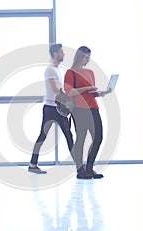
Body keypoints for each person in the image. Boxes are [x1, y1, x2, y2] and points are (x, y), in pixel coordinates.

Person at [64, 46, 110, 179]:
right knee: (81, 139)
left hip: (93, 108)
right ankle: (80, 170)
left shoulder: (90, 72)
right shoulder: (70, 72)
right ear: (79, 57)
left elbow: (91, 93)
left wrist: (102, 93)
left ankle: (89, 168)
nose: (88, 60)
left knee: (98, 137)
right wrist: (87, 87)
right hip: (79, 109)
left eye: (89, 57)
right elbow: (69, 92)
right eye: (86, 57)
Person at [28, 43, 74, 174]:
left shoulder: (56, 70)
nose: (63, 54)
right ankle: (32, 165)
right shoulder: (50, 70)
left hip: (58, 108)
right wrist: (69, 103)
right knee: (43, 136)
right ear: (55, 54)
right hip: (50, 108)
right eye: (61, 52)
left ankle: (79, 165)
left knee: (68, 135)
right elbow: (55, 90)